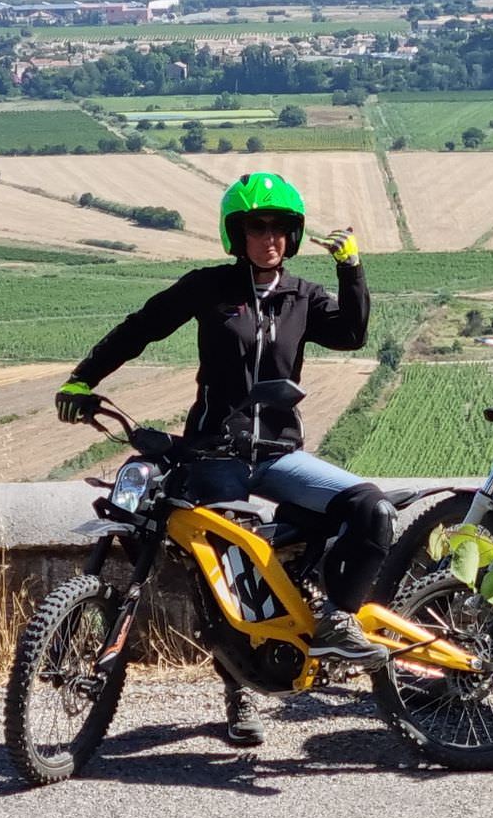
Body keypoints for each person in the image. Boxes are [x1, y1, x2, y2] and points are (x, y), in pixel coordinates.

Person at [54, 171, 390, 749]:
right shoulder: (209, 288)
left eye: (281, 228)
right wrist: (83, 380)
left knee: (369, 507)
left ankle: (335, 621)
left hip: (280, 453)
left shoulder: (303, 296)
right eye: (257, 228)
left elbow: (354, 335)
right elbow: (141, 329)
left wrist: (351, 267)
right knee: (225, 574)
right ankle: (239, 690)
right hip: (215, 452)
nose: (270, 238)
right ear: (236, 235)